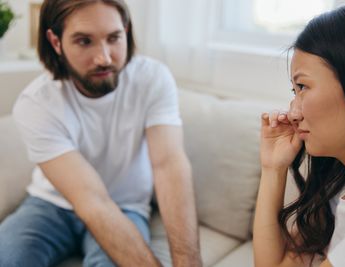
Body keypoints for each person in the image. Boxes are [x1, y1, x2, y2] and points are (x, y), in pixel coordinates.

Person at [0, 0, 201, 266]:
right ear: (56, 41)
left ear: (126, 31)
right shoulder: (36, 103)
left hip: (126, 207)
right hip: (49, 205)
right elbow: (91, 200)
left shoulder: (153, 78)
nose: (104, 58)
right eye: (84, 41)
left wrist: (189, 262)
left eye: (114, 38)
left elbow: (169, 165)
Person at [253, 2, 345, 267]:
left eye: (303, 86)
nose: (293, 112)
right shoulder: (343, 183)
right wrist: (273, 168)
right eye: (293, 92)